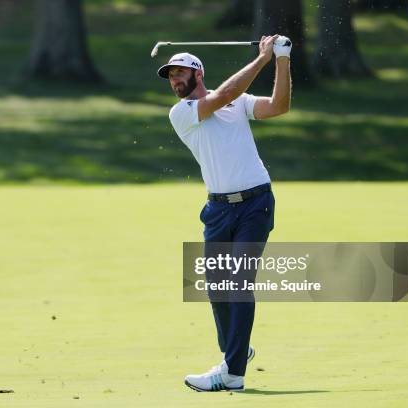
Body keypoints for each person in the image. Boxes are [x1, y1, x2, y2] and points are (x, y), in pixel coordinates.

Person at [156, 35, 292, 392]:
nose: (174, 81)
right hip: (217, 209)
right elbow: (225, 95)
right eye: (170, 76)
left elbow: (278, 106)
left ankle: (232, 373)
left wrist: (281, 59)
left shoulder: (238, 102)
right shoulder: (182, 112)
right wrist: (261, 58)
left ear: (198, 73)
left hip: (255, 204)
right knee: (217, 288)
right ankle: (236, 350)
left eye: (180, 73)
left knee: (238, 284)